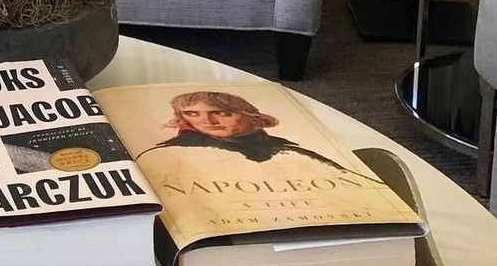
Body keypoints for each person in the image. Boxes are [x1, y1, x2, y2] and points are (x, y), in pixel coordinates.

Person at [142, 90, 365, 175]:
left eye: (221, 113)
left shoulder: (287, 151)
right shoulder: (178, 151)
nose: (207, 122)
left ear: (252, 117)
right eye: (192, 114)